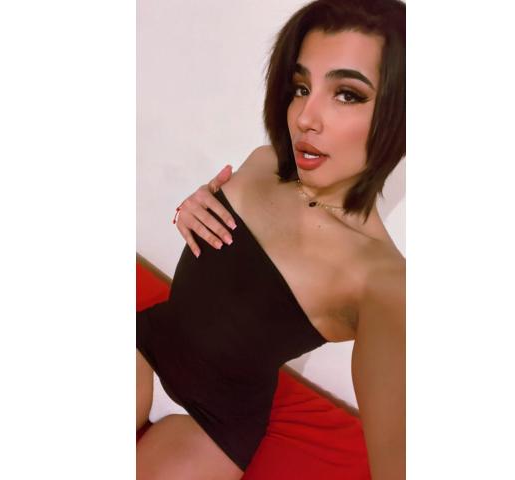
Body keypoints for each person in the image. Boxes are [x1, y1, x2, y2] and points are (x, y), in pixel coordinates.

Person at [137, 0, 405, 478]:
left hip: (216, 424)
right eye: (301, 87)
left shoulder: (383, 281)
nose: (305, 117)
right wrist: (188, 209)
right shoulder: (263, 161)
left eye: (347, 94)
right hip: (147, 344)